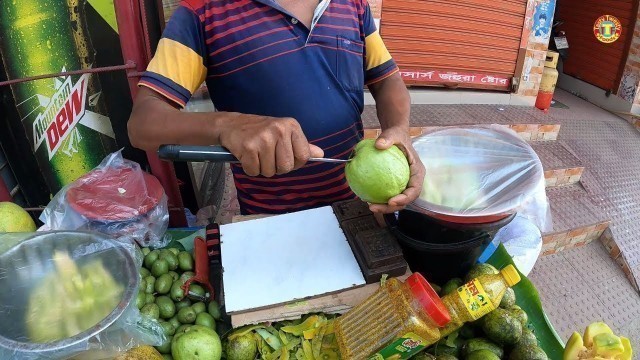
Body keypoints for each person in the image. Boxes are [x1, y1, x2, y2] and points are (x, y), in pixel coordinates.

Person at [127, 0, 425, 215]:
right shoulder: (201, 12)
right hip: (270, 216)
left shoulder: (353, 4)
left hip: (357, 203)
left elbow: (387, 80)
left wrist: (398, 129)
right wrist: (227, 125)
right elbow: (142, 124)